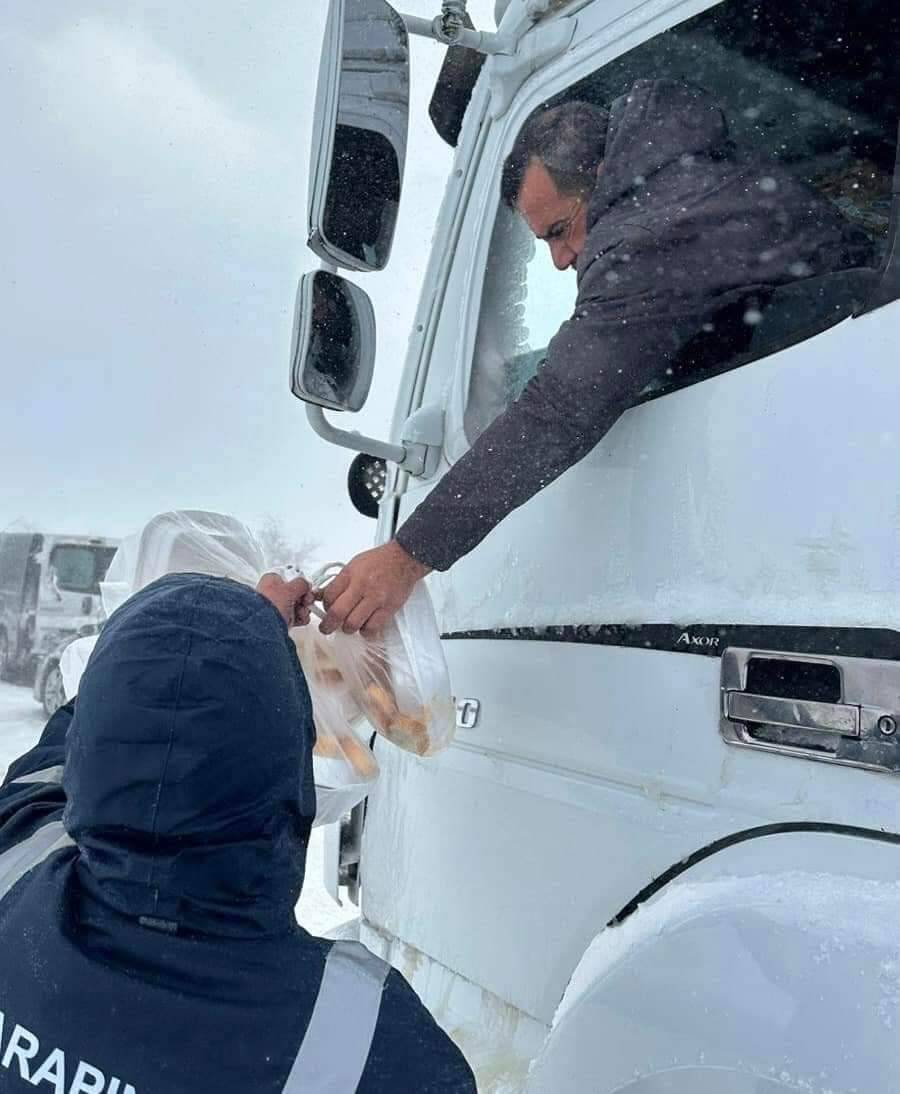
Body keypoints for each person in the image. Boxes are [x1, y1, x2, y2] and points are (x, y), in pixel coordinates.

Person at [317, 78, 872, 637]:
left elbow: (560, 406)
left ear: (603, 176)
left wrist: (407, 554)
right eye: (545, 244)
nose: (560, 260)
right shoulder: (691, 183)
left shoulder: (645, 238)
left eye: (559, 231)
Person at [0, 571, 476, 1093]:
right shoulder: (365, 1042)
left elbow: (82, 736)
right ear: (291, 766)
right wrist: (253, 639)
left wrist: (244, 631)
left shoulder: (16, 859)